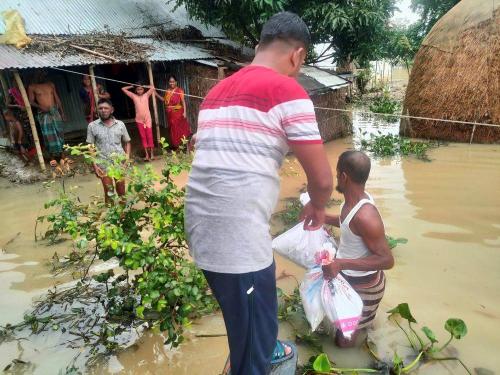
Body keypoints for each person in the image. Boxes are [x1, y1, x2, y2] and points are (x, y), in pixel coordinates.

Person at [185, 12, 333, 375]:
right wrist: (316, 205)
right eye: (300, 64)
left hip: (203, 234)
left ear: (258, 47)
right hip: (236, 242)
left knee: (246, 324)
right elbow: (323, 178)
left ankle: (251, 352)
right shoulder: (287, 90)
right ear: (298, 56)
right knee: (255, 347)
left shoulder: (214, 95)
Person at [322, 150, 394, 347]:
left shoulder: (365, 215)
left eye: (337, 174)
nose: (337, 177)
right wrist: (322, 217)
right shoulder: (353, 201)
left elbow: (387, 260)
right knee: (352, 328)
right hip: (353, 281)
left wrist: (341, 263)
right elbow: (347, 224)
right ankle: (365, 324)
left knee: (343, 344)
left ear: (344, 177)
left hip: (365, 288)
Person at [86, 99, 131, 204]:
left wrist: (127, 159)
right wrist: (94, 165)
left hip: (119, 163)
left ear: (112, 110)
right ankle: (111, 217)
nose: (103, 110)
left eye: (106, 108)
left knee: (121, 191)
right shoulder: (92, 126)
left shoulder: (120, 124)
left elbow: (127, 142)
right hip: (103, 163)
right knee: (108, 191)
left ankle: (123, 215)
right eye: (100, 108)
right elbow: (90, 146)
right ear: (97, 111)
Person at [27, 71, 66, 166]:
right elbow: (31, 101)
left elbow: (57, 99)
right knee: (48, 136)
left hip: (54, 111)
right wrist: (40, 107)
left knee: (59, 133)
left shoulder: (50, 84)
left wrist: (62, 112)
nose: (41, 76)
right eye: (39, 74)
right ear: (34, 75)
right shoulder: (32, 87)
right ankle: (52, 157)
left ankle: (62, 155)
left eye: (43, 74)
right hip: (43, 114)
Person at [155, 75, 191, 148]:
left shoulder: (179, 90)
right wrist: (155, 93)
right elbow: (164, 100)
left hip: (178, 112)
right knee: (172, 129)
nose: (172, 83)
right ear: (169, 82)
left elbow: (183, 102)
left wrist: (185, 112)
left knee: (180, 128)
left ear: (176, 82)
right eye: (170, 82)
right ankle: (176, 146)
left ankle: (183, 145)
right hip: (170, 113)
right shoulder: (167, 91)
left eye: (173, 82)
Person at [122, 83, 155, 161]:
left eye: (141, 89)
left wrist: (144, 85)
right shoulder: (134, 96)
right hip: (139, 120)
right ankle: (147, 155)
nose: (140, 91)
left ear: (143, 90)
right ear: (136, 90)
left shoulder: (146, 95)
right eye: (138, 89)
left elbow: (152, 87)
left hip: (147, 119)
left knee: (149, 136)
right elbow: (123, 89)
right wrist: (132, 86)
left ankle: (152, 154)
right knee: (143, 137)